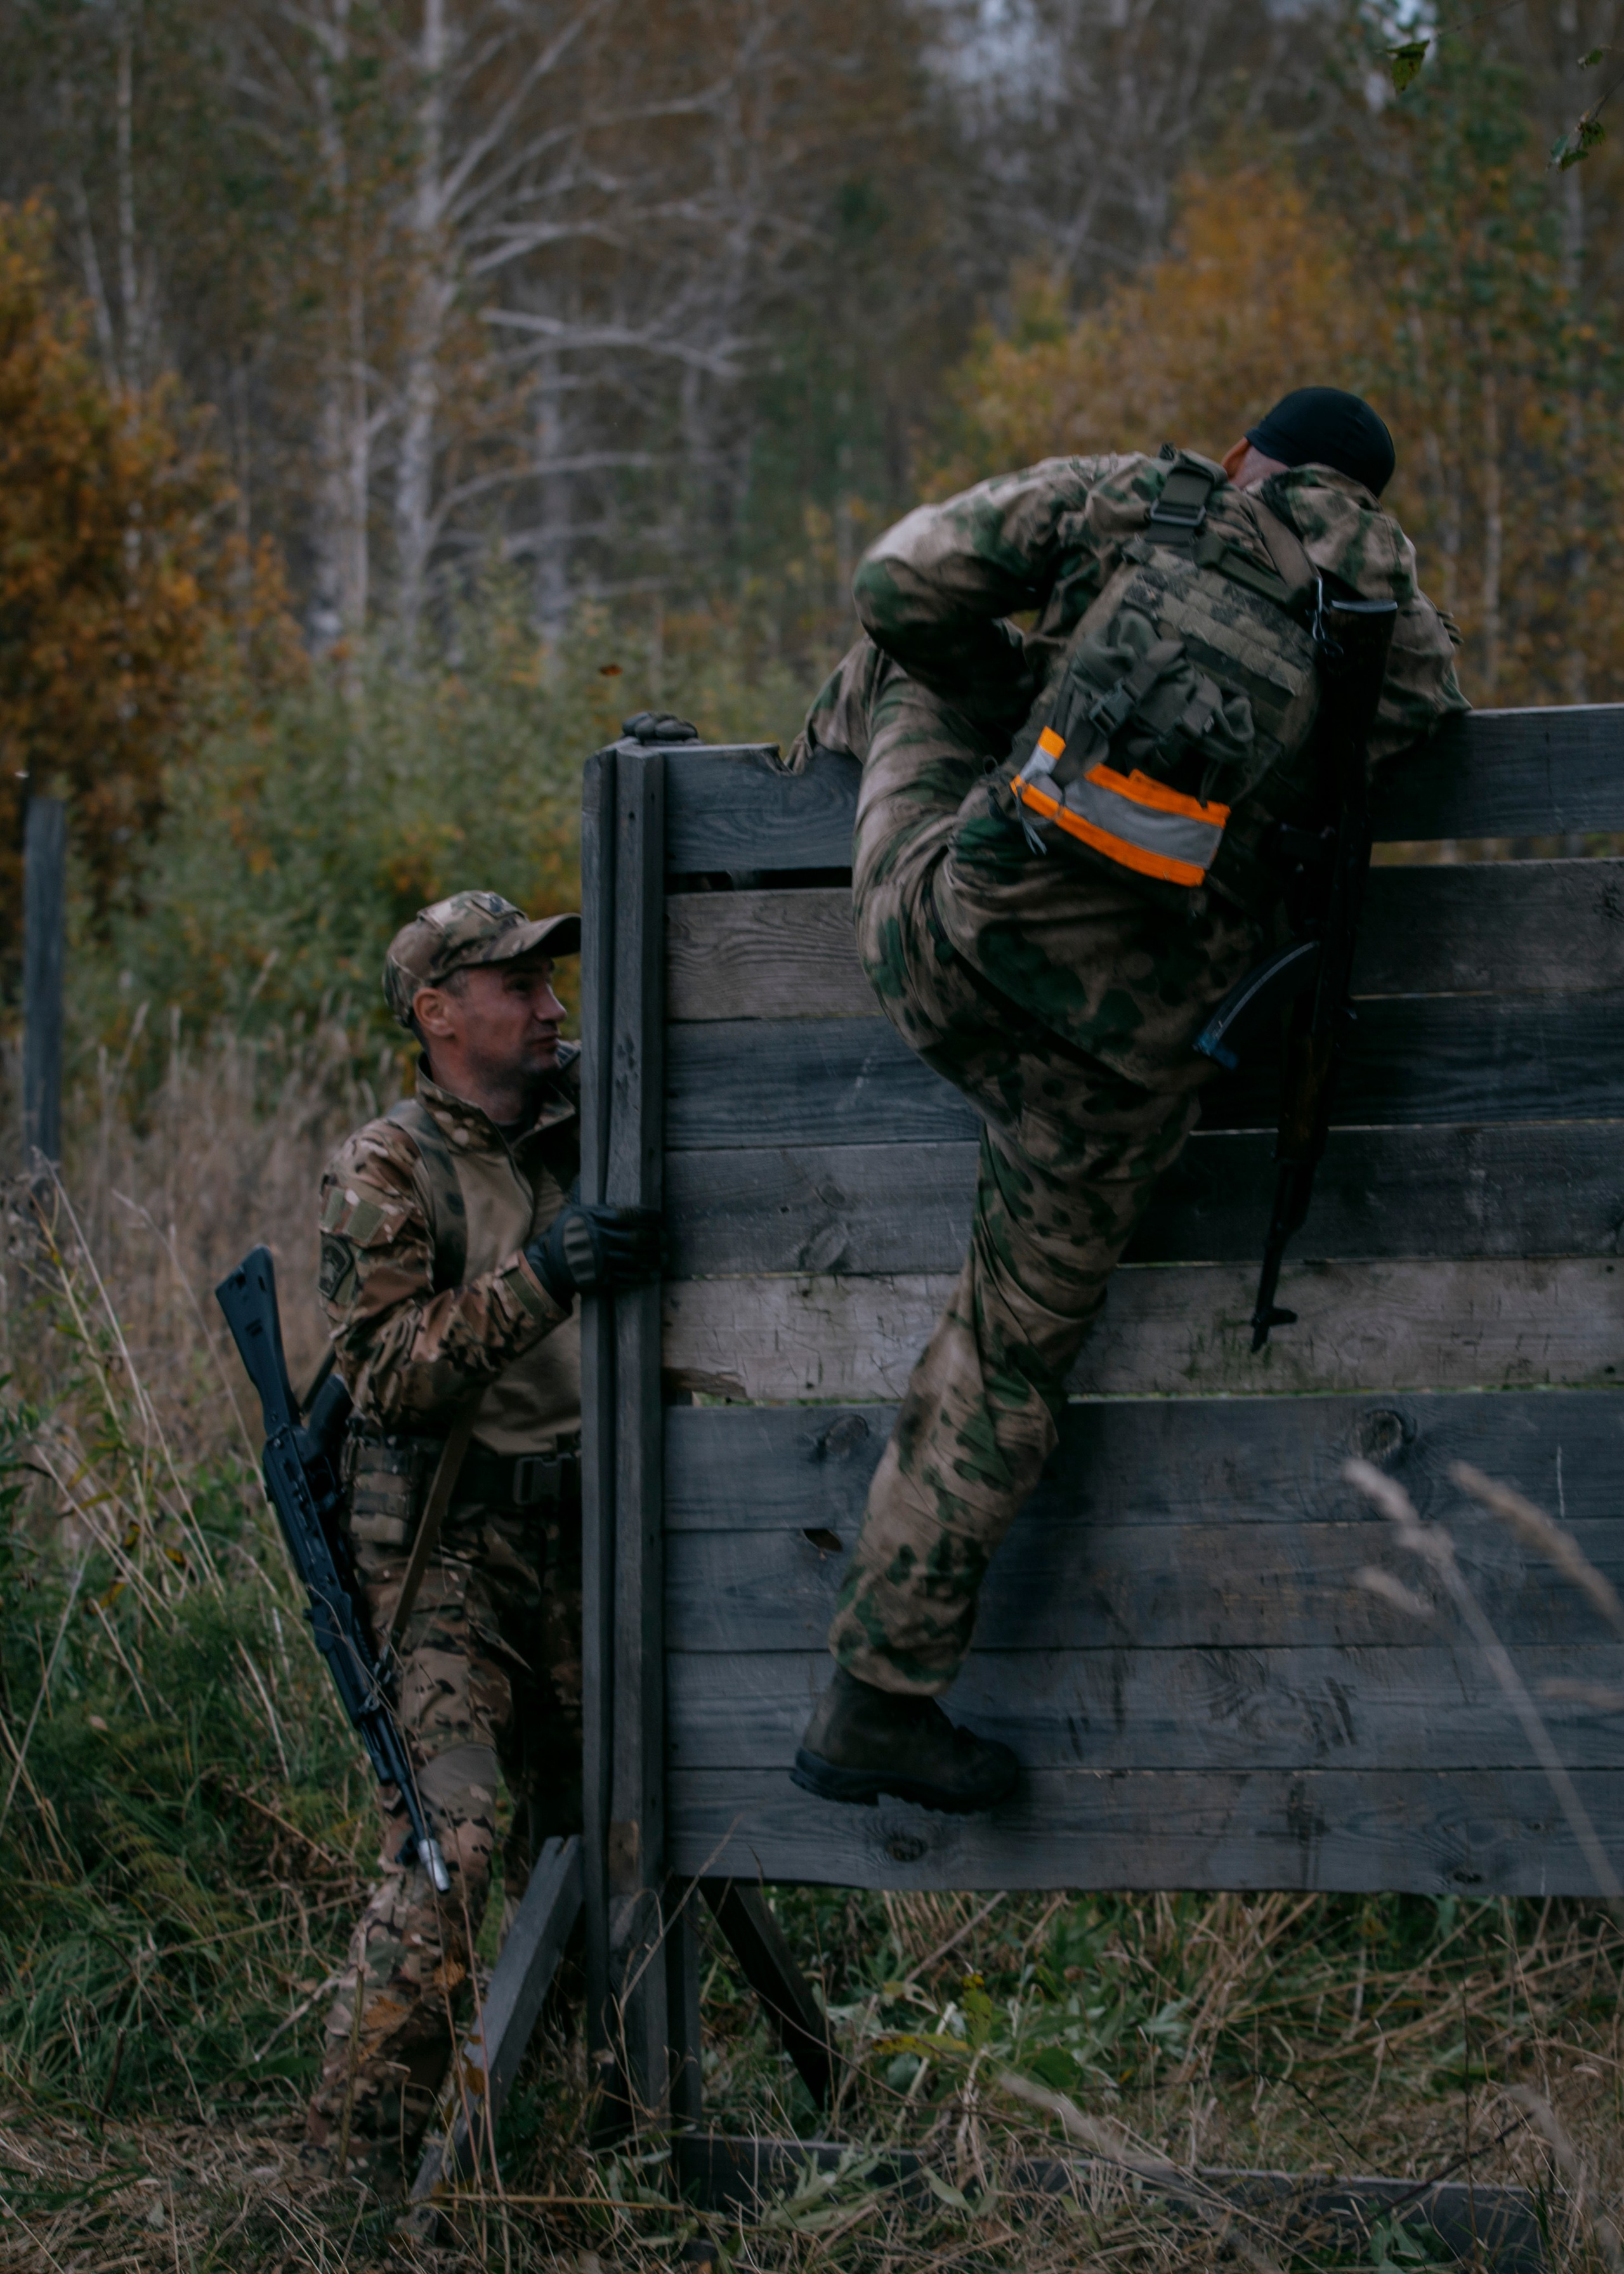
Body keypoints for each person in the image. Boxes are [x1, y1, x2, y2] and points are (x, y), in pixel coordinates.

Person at [789, 388, 1469, 1817]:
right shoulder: (1394, 637)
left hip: (946, 948)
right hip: (1112, 1068)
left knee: (897, 661)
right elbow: (1405, 744)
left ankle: (794, 763)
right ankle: (874, 1698)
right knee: (1007, 1359)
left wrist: (1030, 671)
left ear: (1248, 457)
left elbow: (898, 581)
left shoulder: (1140, 501)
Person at [301, 890, 658, 2185]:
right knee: (454, 1846)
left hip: (585, 1538)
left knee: (603, 1831)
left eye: (548, 979)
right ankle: (360, 2161)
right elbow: (388, 1371)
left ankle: (560, 2118)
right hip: (443, 1556)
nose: (550, 1001)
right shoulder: (382, 1167)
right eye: (514, 984)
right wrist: (549, 1272)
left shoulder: (584, 1134)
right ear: (435, 1012)